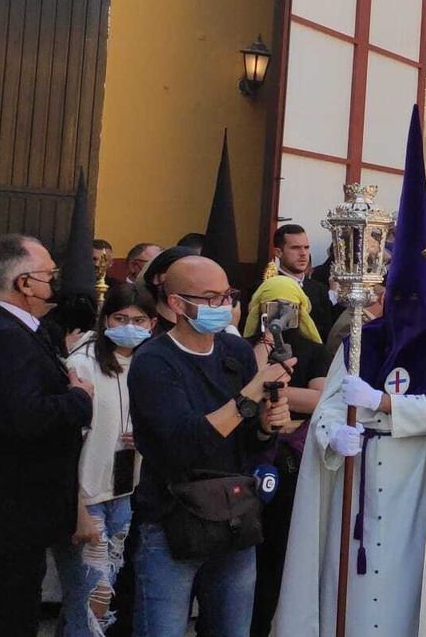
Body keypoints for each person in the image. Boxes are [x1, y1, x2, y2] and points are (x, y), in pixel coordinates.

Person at [276, 110, 426, 636]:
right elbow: (327, 409)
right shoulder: (362, 341)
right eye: (398, 297)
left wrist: (385, 405)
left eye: (416, 298)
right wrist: (331, 436)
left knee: (405, 598)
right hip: (359, 481)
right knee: (350, 592)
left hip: (418, 489)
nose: (406, 307)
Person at [128, 254, 294, 637]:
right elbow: (187, 442)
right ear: (177, 304)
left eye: (227, 295)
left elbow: (250, 438)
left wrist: (269, 424)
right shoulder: (154, 361)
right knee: (162, 628)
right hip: (174, 515)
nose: (223, 307)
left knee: (232, 628)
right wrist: (249, 395)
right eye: (210, 298)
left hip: (234, 512)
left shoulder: (235, 353)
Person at [0, 234, 95, 637]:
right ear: (24, 283)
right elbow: (26, 418)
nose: (56, 283)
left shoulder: (14, 328)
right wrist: (80, 398)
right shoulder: (3, 335)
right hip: (6, 519)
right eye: (51, 275)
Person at [54, 283, 155, 637]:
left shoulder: (151, 363)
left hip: (123, 489)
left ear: (153, 323)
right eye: (120, 318)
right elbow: (69, 438)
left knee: (105, 589)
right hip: (87, 492)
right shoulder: (83, 362)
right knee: (90, 593)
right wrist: (79, 503)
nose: (130, 326)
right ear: (106, 319)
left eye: (139, 319)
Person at [241, 275, 333, 637]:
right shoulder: (243, 347)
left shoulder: (313, 350)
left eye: (289, 306)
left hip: (293, 462)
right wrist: (261, 363)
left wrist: (270, 389)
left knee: (280, 551)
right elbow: (239, 395)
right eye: (271, 306)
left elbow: (322, 400)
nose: (280, 314)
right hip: (250, 459)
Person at [271, 224, 340, 336]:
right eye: (295, 248)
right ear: (278, 252)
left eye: (306, 247)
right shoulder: (269, 287)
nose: (303, 253)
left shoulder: (320, 289)